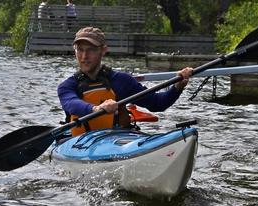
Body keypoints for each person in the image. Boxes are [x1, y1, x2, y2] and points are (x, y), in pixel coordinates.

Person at [57, 27, 192, 136]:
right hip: (80, 143)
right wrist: (96, 109)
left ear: (103, 50)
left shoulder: (122, 81)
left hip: (117, 138)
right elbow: (71, 103)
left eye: (90, 50)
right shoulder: (67, 86)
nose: (84, 56)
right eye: (80, 50)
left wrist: (177, 86)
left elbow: (158, 103)